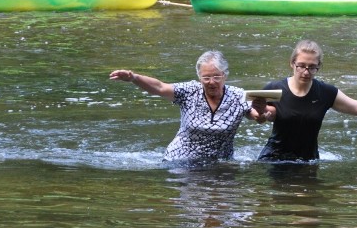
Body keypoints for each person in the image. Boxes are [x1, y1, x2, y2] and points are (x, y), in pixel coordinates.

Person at [255, 40, 357, 162]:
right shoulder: (275, 88)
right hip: (274, 159)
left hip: (308, 160)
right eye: (301, 66)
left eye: (312, 67)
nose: (306, 72)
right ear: (292, 63)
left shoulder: (325, 92)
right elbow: (253, 111)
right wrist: (261, 116)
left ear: (319, 66)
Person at [109, 50, 261, 163]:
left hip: (219, 163)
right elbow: (160, 88)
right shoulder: (189, 91)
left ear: (225, 76)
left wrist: (263, 114)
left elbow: (255, 114)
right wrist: (133, 78)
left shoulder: (238, 95)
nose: (211, 82)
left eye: (216, 77)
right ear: (199, 78)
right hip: (181, 161)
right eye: (206, 77)